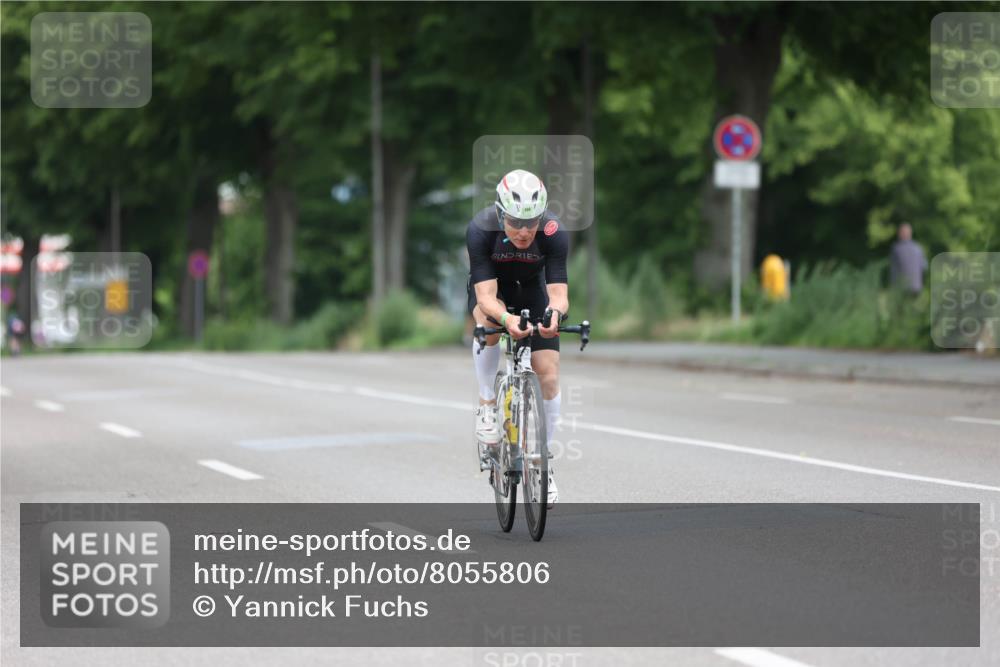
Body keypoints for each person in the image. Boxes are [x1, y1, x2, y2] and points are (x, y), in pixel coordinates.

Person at [466, 169, 569, 508]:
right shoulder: (481, 230)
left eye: (532, 221)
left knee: (549, 374)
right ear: (500, 213)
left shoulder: (553, 232)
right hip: (495, 294)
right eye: (515, 221)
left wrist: (554, 315)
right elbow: (485, 296)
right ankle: (486, 403)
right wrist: (507, 319)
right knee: (486, 321)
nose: (525, 231)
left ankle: (542, 463)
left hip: (532, 292)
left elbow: (558, 294)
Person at [889, 223, 927, 294]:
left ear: (900, 233)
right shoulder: (918, 248)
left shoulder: (896, 249)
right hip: (916, 287)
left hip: (901, 287)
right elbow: (924, 267)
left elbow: (893, 269)